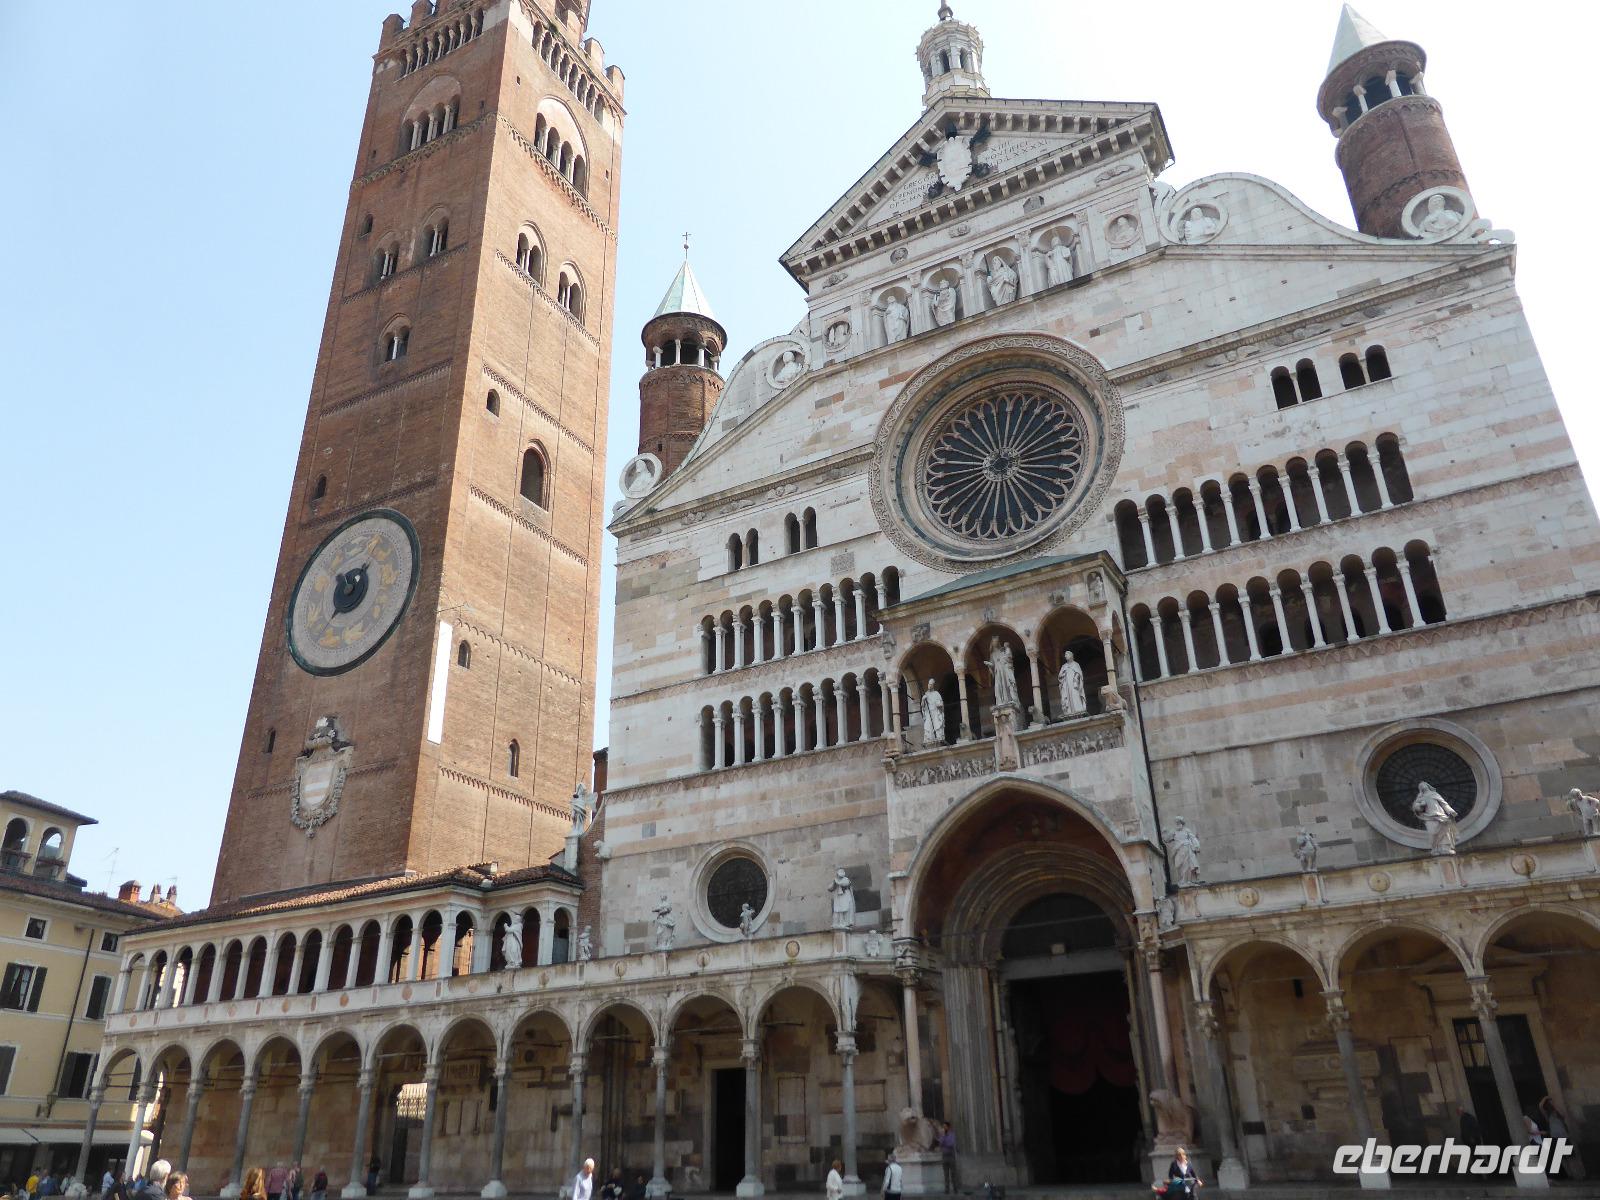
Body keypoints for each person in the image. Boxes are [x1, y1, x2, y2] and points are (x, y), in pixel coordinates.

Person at [937, 1123, 957, 1192]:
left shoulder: (952, 1135)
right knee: (946, 1174)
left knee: (953, 1173)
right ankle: (947, 1189)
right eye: (943, 1127)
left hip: (951, 1156)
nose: (944, 1128)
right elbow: (940, 1144)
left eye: (945, 1127)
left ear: (948, 1127)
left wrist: (944, 1141)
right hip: (944, 1156)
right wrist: (943, 1138)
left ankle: (955, 1188)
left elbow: (951, 1144)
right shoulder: (942, 1135)